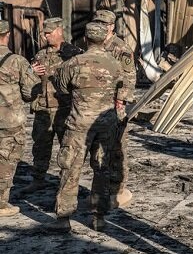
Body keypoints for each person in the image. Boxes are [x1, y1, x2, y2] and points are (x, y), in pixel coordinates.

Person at [49, 22, 123, 232]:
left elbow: (62, 89)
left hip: (78, 124)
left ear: (85, 40)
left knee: (70, 168)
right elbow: (122, 89)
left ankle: (63, 218)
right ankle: (98, 217)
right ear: (103, 39)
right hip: (106, 125)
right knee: (101, 169)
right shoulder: (115, 64)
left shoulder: (72, 63)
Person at [20, 17, 82, 194]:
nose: (46, 36)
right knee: (40, 146)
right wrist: (32, 72)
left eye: (49, 33)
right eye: (44, 33)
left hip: (64, 108)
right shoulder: (40, 54)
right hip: (43, 109)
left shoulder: (73, 53)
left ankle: (67, 183)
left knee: (67, 147)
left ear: (59, 31)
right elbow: (29, 81)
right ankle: (38, 179)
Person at [92, 9, 136, 208]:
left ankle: (118, 190)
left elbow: (129, 78)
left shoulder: (120, 48)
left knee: (117, 149)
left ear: (111, 26)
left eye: (103, 23)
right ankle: (102, 188)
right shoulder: (94, 44)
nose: (100, 26)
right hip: (97, 104)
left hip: (114, 105)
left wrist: (121, 100)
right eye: (97, 22)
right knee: (99, 149)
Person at [0, 20, 40, 217]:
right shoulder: (17, 61)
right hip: (10, 121)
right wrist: (32, 74)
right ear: (7, 35)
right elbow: (29, 93)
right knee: (6, 160)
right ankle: (1, 204)